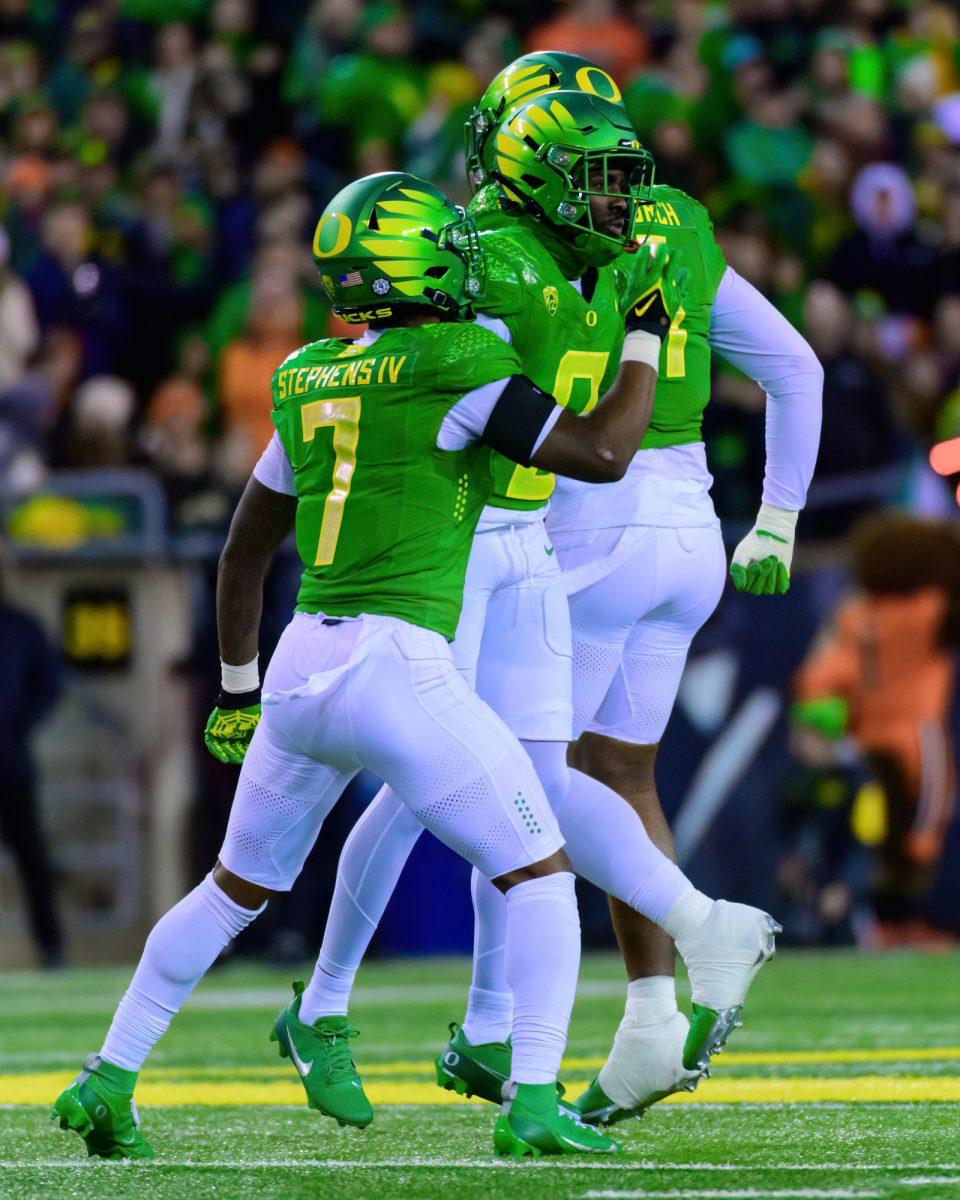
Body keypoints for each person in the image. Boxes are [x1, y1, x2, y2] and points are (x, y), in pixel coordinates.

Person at [52, 169, 739, 1162]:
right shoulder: (456, 356)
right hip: (396, 663)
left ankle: (109, 1077)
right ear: (411, 262)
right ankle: (534, 1099)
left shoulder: (302, 373)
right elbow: (599, 452)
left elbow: (245, 549)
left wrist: (237, 687)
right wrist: (642, 333)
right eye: (445, 245)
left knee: (230, 890)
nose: (464, 259)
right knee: (541, 874)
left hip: (299, 667)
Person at [294, 70, 780, 1124]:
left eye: (622, 178)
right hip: (465, 535)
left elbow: (596, 428)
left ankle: (485, 1023)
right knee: (440, 782)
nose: (621, 201)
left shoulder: (590, 258)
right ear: (538, 171)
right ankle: (360, 1009)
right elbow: (386, 355)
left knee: (507, 784)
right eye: (598, 178)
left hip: (536, 536)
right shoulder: (485, 255)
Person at [0, 575, 64, 967]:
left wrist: (18, 724)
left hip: (10, 761)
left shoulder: (21, 627)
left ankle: (51, 947)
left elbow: (49, 685)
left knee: (31, 857)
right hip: (12, 756)